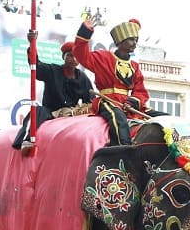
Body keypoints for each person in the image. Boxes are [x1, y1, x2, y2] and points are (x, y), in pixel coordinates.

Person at [74, 17, 150, 146]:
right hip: (108, 100)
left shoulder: (135, 66)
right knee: (118, 118)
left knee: (161, 116)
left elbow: (140, 90)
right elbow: (82, 55)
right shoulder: (103, 57)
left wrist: (132, 101)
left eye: (136, 40)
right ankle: (123, 150)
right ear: (120, 41)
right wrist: (85, 31)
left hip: (128, 104)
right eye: (131, 39)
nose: (134, 43)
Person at [12, 41, 94, 151]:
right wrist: (32, 44)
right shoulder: (52, 70)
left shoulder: (83, 78)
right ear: (63, 57)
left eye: (76, 56)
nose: (73, 59)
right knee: (36, 111)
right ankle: (27, 141)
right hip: (50, 111)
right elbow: (36, 66)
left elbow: (90, 100)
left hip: (71, 113)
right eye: (70, 55)